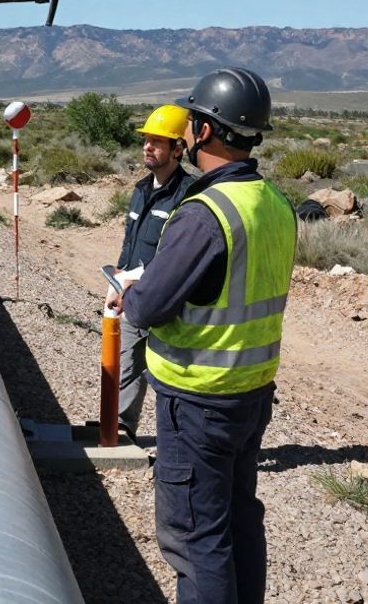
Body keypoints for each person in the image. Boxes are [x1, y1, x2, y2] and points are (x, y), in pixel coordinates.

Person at [119, 67, 296, 604]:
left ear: (206, 131)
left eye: (193, 120)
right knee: (239, 520)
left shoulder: (204, 213)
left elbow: (148, 307)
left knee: (196, 537)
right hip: (251, 393)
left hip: (199, 399)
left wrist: (131, 288)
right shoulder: (274, 203)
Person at [105, 104, 191, 439]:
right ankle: (122, 427)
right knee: (126, 366)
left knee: (173, 375)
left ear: (178, 149)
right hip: (132, 297)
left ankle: (182, 439)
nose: (148, 147)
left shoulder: (189, 195)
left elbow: (179, 255)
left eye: (158, 141)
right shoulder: (141, 190)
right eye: (146, 140)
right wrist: (118, 281)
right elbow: (130, 244)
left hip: (168, 304)